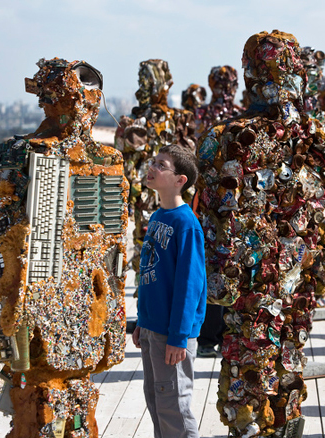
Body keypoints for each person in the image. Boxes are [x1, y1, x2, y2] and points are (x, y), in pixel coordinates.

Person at [132, 143, 207, 438]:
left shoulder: (186, 224)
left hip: (173, 335)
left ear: (180, 181)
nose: (152, 168)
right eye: (153, 161)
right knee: (156, 401)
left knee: (175, 406)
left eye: (161, 165)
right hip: (153, 328)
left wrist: (178, 336)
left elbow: (190, 285)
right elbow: (150, 276)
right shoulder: (157, 218)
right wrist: (143, 320)